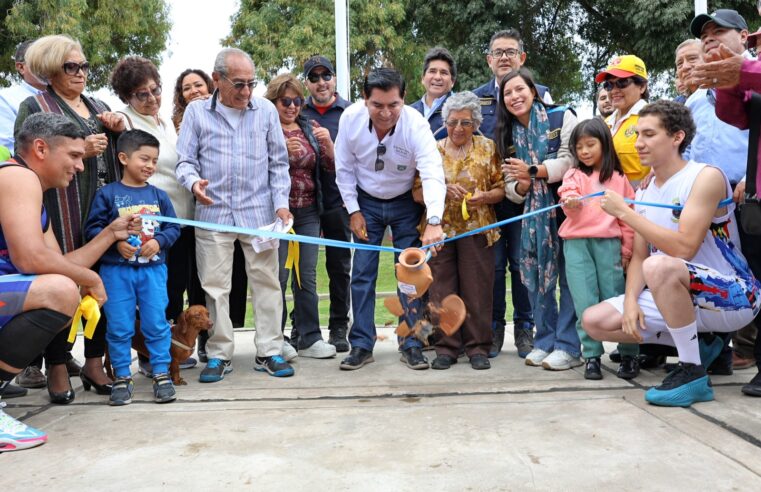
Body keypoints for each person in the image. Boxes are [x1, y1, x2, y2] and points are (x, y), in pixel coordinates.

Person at [583, 100, 761, 407]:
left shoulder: (705, 177)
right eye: (638, 134)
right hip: (680, 295)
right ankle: (701, 342)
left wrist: (626, 214)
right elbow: (638, 255)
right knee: (595, 322)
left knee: (660, 266)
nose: (638, 143)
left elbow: (684, 247)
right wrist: (629, 303)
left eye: (649, 135)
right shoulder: (644, 191)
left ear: (677, 137)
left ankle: (692, 372)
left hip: (735, 296)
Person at [0, 113, 139, 450]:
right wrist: (89, 277)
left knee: (64, 284)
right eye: (74, 156)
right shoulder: (18, 177)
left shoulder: (30, 188)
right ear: (40, 148)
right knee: (61, 290)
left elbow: (58, 263)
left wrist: (108, 235)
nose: (80, 166)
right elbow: (30, 260)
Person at [15, 34, 126, 402]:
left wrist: (118, 129)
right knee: (63, 279)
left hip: (100, 210)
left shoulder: (98, 105)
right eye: (71, 67)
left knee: (103, 280)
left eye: (84, 66)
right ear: (49, 69)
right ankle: (58, 365)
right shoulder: (36, 104)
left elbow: (124, 155)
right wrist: (87, 151)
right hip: (61, 210)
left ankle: (94, 362)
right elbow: (30, 155)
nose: (80, 73)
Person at [176, 48, 295, 381]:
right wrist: (192, 182)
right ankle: (219, 354)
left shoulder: (266, 111)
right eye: (238, 84)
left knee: (267, 284)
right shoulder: (197, 113)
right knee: (215, 288)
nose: (246, 92)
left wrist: (281, 203)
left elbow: (278, 164)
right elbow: (184, 161)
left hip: (259, 215)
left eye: (251, 84)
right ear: (217, 80)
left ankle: (270, 350)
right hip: (213, 216)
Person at [334, 67, 446, 371]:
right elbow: (343, 169)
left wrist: (434, 220)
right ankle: (361, 344)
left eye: (393, 105)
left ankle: (412, 343)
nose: (385, 114)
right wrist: (353, 210)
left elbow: (433, 171)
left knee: (411, 276)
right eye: (377, 105)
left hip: (404, 203)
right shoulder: (350, 119)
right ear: (364, 100)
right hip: (365, 203)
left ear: (403, 100)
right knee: (362, 274)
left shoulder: (416, 124)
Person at [109, 56, 202, 376]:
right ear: (126, 98)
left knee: (178, 285)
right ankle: (151, 356)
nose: (151, 98)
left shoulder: (164, 122)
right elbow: (115, 125)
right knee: (161, 292)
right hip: (155, 222)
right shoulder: (126, 119)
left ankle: (172, 351)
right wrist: (114, 120)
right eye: (141, 94)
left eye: (155, 89)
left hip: (185, 217)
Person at [84, 129, 180, 405]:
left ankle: (161, 373)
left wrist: (159, 242)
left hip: (153, 272)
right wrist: (114, 245)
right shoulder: (107, 195)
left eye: (154, 160)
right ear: (124, 158)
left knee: (156, 323)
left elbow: (174, 227)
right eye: (145, 159)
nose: (150, 165)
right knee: (119, 325)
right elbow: (93, 229)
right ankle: (122, 377)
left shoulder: (159, 196)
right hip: (116, 273)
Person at [691, 24, 761, 397]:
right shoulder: (712, 89)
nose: (709, 40)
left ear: (744, 34)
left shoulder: (752, 69)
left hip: (742, 187)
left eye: (719, 31)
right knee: (741, 274)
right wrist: (726, 82)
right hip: (740, 199)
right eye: (705, 37)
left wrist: (740, 71)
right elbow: (735, 118)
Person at [413, 91, 505, 370]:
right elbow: (417, 192)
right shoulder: (434, 149)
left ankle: (478, 347)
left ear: (476, 123)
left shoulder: (488, 148)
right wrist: (440, 193)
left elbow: (501, 189)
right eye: (452, 122)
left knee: (477, 289)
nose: (458, 128)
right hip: (439, 232)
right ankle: (446, 347)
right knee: (441, 290)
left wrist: (485, 197)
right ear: (445, 122)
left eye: (465, 122)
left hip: (477, 229)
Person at [497, 68, 580, 370]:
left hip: (566, 209)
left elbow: (571, 159)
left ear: (533, 90)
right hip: (530, 216)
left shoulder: (561, 116)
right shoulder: (505, 133)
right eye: (507, 93)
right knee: (533, 276)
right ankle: (545, 340)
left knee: (569, 278)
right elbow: (509, 185)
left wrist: (533, 171)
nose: (515, 96)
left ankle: (569, 345)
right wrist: (520, 184)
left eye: (520, 89)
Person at [472, 28, 548, 359]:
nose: (504, 57)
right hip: (489, 199)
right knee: (492, 265)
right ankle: (492, 331)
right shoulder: (475, 98)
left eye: (511, 52)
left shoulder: (541, 93)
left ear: (522, 58)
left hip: (527, 196)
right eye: (498, 52)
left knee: (522, 264)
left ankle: (525, 328)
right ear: (489, 60)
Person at [171, 67, 248, 360]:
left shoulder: (219, 117)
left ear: (212, 86)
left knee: (223, 277)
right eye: (186, 88)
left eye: (198, 85)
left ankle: (211, 337)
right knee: (192, 281)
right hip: (183, 215)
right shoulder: (173, 125)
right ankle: (190, 338)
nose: (193, 91)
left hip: (216, 213)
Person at [558, 118, 638, 380]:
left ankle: (629, 353)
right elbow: (567, 198)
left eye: (590, 144)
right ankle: (591, 355)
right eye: (578, 147)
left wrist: (626, 250)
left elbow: (628, 218)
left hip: (609, 245)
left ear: (604, 143)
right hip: (577, 245)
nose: (584, 151)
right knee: (584, 301)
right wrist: (570, 201)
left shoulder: (619, 178)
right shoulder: (574, 175)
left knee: (616, 297)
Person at [264, 73, 336, 360]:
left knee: (306, 275)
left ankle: (310, 337)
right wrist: (281, 149)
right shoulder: (264, 128)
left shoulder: (310, 126)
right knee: (278, 276)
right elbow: (255, 165)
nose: (292, 106)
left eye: (297, 100)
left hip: (308, 212)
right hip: (277, 214)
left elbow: (330, 168)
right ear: (273, 102)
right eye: (285, 101)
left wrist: (328, 145)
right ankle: (275, 338)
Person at [300, 55, 352, 352]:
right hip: (304, 202)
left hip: (337, 199)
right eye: (314, 77)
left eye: (326, 76)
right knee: (302, 268)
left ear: (334, 79)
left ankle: (338, 326)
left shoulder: (350, 112)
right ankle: (304, 328)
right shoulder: (298, 110)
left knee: (339, 267)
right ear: (307, 82)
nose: (321, 82)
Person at [595, 55, 651, 186]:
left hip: (641, 202)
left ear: (642, 86)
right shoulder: (604, 123)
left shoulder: (653, 118)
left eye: (622, 83)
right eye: (609, 85)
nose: (614, 90)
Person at [0, 40, 46, 154]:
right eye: (39, 60)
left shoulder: (71, 98)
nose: (47, 64)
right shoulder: (5, 99)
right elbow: (10, 149)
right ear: (21, 67)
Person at [410, 47, 456, 136]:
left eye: (444, 73)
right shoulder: (410, 112)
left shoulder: (460, 111)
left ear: (452, 82)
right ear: (423, 78)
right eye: (432, 71)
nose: (437, 77)